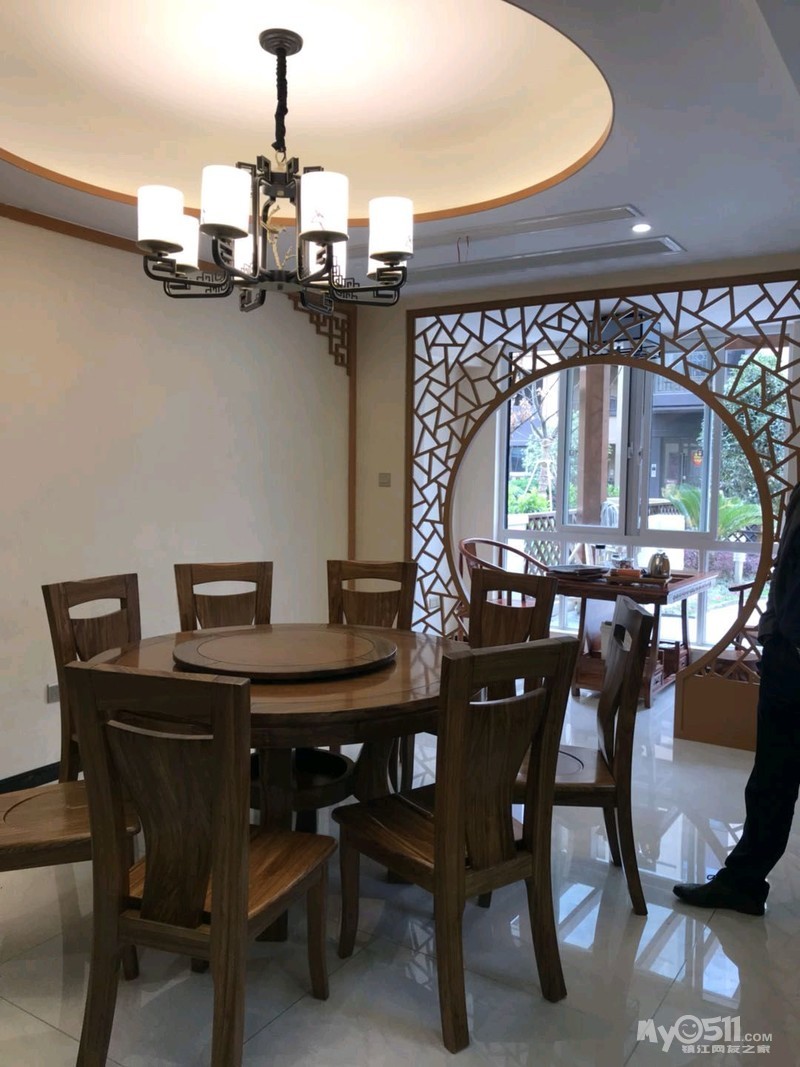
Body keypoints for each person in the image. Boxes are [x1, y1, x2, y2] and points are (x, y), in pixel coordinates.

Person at [673, 481, 800, 916]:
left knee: (773, 780)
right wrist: (774, 634)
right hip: (786, 653)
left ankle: (743, 882)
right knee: (771, 781)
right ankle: (742, 880)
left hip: (793, 659)